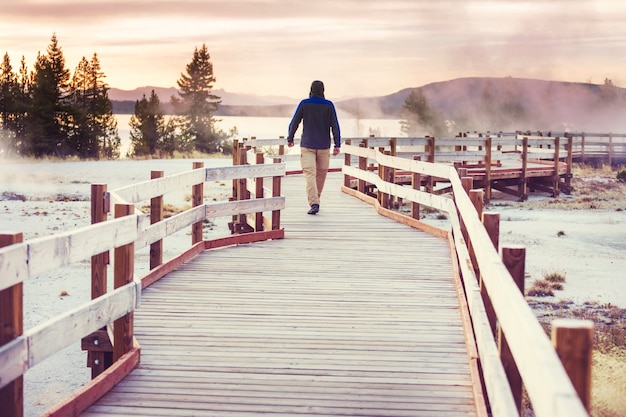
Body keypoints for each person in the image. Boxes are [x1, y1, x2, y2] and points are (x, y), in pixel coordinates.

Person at [287, 80, 341, 215]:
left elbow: (294, 122)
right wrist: (337, 144)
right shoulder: (329, 105)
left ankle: (314, 202)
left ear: (311, 89)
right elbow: (335, 125)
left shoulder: (305, 103)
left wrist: (290, 138)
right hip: (324, 146)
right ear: (323, 90)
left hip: (308, 145)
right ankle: (315, 202)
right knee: (321, 174)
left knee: (310, 174)